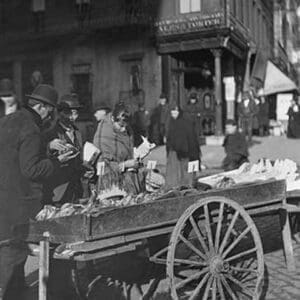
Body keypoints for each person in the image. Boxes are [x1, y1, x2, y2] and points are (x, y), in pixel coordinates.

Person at [0, 84, 74, 299]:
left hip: (3, 195)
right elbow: (31, 169)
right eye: (50, 110)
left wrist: (46, 145)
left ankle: (14, 292)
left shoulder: (9, 120)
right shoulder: (32, 129)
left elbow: (15, 151)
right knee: (14, 252)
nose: (51, 115)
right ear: (42, 107)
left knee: (7, 249)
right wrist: (57, 162)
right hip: (18, 202)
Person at [43, 93, 89, 205]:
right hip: (59, 190)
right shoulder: (50, 133)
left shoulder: (78, 132)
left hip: (77, 189)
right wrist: (49, 147)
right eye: (68, 113)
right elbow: (42, 157)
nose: (72, 118)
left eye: (75, 113)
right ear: (59, 113)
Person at [94, 102, 144, 195]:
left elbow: (129, 151)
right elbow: (102, 166)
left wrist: (136, 159)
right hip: (110, 186)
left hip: (128, 181)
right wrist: (124, 165)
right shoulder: (104, 135)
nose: (124, 130)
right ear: (113, 119)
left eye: (125, 126)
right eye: (121, 126)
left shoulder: (127, 130)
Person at [165, 104, 200, 190]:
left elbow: (191, 138)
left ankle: (188, 187)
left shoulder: (185, 122)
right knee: (174, 174)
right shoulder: (171, 122)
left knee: (186, 173)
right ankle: (174, 189)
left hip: (186, 152)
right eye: (172, 111)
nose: (174, 113)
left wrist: (190, 152)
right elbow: (169, 138)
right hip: (174, 152)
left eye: (176, 111)